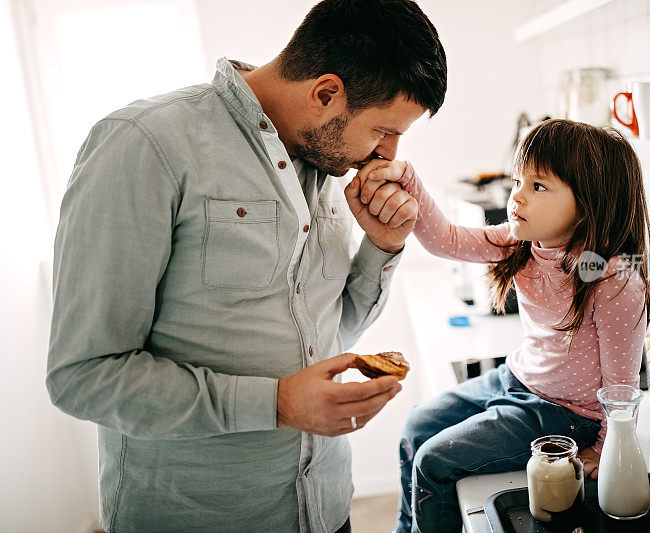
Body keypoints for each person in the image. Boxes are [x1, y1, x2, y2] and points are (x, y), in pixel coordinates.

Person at [46, 1, 446, 531]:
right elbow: (85, 376)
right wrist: (276, 404)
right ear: (326, 93)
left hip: (325, 508)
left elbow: (327, 332)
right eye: (383, 131)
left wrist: (382, 246)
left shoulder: (326, 160)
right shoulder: (144, 144)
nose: (388, 154)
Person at [356, 119, 650, 533]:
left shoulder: (613, 279)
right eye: (518, 181)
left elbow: (623, 385)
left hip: (567, 415)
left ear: (589, 202)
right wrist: (409, 179)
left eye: (538, 186)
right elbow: (446, 240)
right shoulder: (522, 245)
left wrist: (604, 450)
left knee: (434, 462)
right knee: (416, 426)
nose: (517, 198)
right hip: (515, 381)